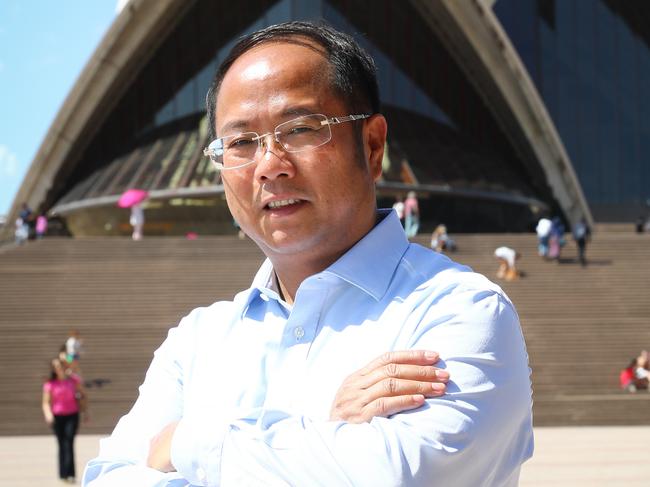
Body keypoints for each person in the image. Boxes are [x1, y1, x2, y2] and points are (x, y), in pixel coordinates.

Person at [84, 21, 533, 486]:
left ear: (373, 146)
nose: (269, 166)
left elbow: (399, 476)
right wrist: (323, 425)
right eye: (239, 142)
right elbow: (106, 479)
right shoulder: (196, 341)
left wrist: (186, 443)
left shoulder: (460, 311)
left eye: (299, 129)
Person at [43, 358, 88, 483]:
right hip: (57, 416)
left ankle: (71, 474)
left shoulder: (73, 380)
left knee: (69, 442)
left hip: (72, 415)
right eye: (56, 367)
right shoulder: (50, 384)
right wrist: (48, 415)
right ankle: (63, 473)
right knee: (61, 444)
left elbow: (83, 394)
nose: (59, 369)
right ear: (53, 369)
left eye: (60, 366)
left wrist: (85, 411)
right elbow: (45, 402)